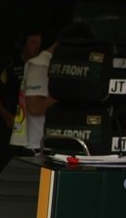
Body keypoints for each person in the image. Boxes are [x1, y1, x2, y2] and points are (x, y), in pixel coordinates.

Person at [9, 22, 91, 156]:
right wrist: (70, 92)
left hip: (52, 143)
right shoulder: (40, 64)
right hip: (36, 146)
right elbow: (35, 107)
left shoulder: (58, 63)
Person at [0, 30, 43, 171]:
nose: (36, 47)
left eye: (39, 44)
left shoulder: (42, 66)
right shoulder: (9, 64)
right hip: (10, 122)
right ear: (23, 44)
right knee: (6, 160)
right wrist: (7, 116)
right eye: (33, 43)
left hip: (34, 125)